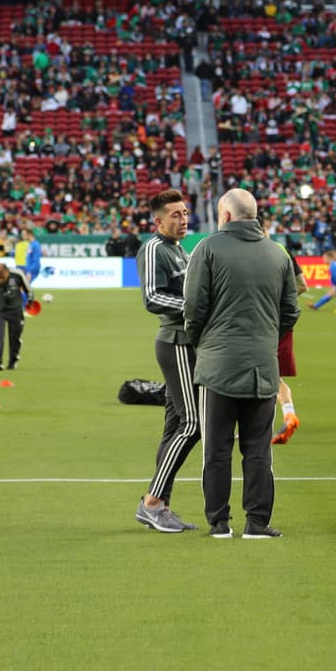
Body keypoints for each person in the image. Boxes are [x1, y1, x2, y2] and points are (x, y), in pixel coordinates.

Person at [184, 189, 299, 539]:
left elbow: (193, 307)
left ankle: (219, 522)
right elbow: (290, 311)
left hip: (219, 366)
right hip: (262, 367)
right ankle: (257, 522)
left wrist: (202, 340)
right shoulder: (278, 255)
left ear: (227, 216)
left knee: (217, 448)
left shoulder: (208, 248)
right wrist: (264, 338)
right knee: (258, 448)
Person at [133, 189, 202, 534]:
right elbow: (151, 297)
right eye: (175, 214)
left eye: (185, 212)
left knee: (175, 427)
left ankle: (160, 505)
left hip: (188, 343)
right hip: (176, 342)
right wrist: (196, 310)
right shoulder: (154, 248)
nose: (183, 218)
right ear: (158, 221)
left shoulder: (179, 250)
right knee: (193, 424)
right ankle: (152, 503)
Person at [272, 243, 308, 445]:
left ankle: (253, 427)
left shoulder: (252, 252)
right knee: (272, 376)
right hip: (284, 324)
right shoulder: (282, 250)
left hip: (260, 323)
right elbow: (302, 285)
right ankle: (289, 413)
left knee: (255, 374)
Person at [0, 262, 30, 371]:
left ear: (7, 272)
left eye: (3, 278)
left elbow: (28, 289)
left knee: (15, 338)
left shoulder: (17, 275)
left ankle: (13, 361)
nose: (0, 281)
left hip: (16, 310)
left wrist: (30, 301)